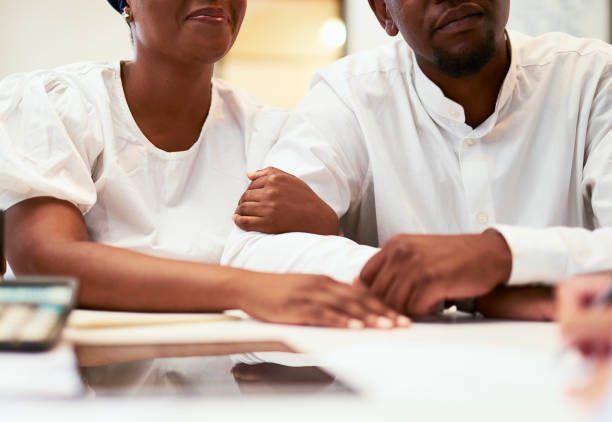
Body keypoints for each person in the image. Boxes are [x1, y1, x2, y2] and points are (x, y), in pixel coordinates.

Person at [0, 0, 408, 329]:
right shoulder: (59, 104)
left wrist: (322, 221)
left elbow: (302, 260)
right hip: (80, 385)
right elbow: (46, 259)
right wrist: (250, 290)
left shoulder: (266, 132)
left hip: (226, 379)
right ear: (127, 5)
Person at [223, 0, 612, 319]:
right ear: (383, 13)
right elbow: (251, 257)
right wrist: (466, 290)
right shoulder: (350, 97)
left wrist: (498, 257)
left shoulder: (593, 79)